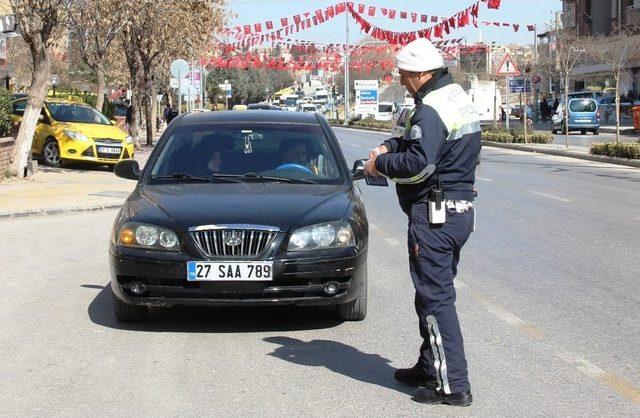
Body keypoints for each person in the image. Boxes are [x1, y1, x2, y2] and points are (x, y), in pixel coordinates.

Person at [364, 38, 480, 407]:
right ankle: (429, 366)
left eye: (404, 75)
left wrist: (378, 165)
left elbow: (420, 164)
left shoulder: (430, 109)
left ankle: (452, 385)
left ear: (420, 74)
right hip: (458, 210)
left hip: (435, 216)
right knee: (430, 293)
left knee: (436, 299)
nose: (402, 80)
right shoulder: (456, 98)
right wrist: (390, 146)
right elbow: (422, 147)